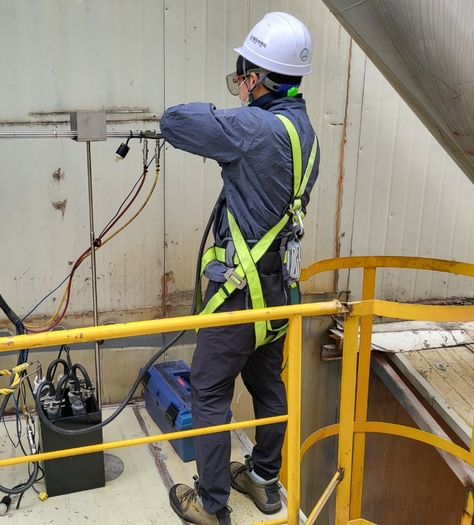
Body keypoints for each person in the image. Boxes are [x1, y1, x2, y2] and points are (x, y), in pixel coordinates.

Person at [160, 12, 320, 525]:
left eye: (241, 76)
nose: (239, 85)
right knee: (268, 383)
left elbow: (174, 121)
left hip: (238, 296)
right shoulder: (305, 131)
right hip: (278, 292)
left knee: (208, 390)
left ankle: (211, 505)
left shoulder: (253, 127)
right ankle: (264, 480)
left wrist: (224, 116)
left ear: (257, 77)